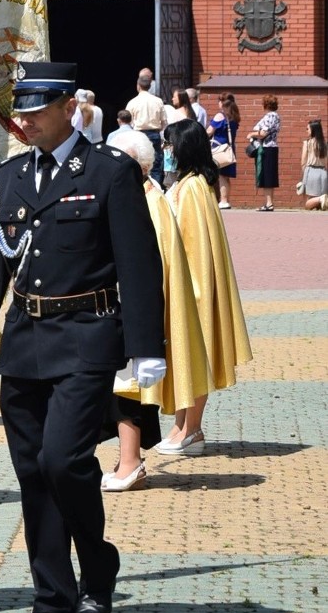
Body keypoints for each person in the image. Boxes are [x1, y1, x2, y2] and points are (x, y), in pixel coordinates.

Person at [0, 63, 166, 613]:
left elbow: (138, 262)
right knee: (31, 471)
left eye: (36, 110)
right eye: (19, 111)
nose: (24, 122)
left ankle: (97, 566)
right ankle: (53, 596)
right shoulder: (8, 178)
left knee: (62, 461)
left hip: (87, 337)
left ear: (69, 108)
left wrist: (146, 344)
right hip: (26, 340)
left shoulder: (109, 171)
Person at [99, 130, 209, 491]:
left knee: (126, 390)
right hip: (134, 314)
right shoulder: (149, 197)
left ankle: (129, 464)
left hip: (131, 315)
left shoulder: (145, 201)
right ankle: (128, 462)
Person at [156, 120, 252, 455]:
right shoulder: (189, 183)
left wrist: (193, 293)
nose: (165, 151)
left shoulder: (193, 188)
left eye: (168, 145)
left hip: (193, 289)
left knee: (195, 358)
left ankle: (192, 428)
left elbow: (194, 249)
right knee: (183, 359)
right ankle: (182, 425)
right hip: (184, 286)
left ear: (182, 148)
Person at [125, 68, 167, 185]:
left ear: (138, 85)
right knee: (156, 164)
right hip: (154, 134)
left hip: (139, 135)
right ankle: (156, 189)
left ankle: (140, 187)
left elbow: (128, 121)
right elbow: (164, 122)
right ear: (150, 86)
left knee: (139, 162)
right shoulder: (158, 101)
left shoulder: (132, 102)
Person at [247, 94, 281, 211]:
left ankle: (269, 203)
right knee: (269, 175)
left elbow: (263, 133)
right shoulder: (275, 116)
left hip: (266, 148)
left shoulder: (269, 116)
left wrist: (251, 134)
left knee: (266, 175)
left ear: (266, 105)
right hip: (271, 147)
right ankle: (269, 202)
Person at [207, 92, 240, 209]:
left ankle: (224, 200)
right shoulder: (234, 116)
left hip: (219, 149)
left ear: (222, 103)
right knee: (226, 176)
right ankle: (225, 199)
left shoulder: (220, 116)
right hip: (229, 149)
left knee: (221, 176)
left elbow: (209, 131)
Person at [301, 119, 328, 210]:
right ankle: (321, 198)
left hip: (311, 171)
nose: (306, 130)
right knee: (320, 204)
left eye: (307, 129)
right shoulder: (325, 144)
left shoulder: (308, 143)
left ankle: (320, 198)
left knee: (308, 204)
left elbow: (303, 161)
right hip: (323, 172)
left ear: (313, 130)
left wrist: (304, 173)